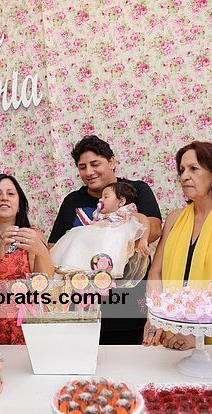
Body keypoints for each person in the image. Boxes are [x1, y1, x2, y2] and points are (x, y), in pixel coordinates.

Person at [49, 135, 162, 345]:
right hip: (83, 307)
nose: (89, 172)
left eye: (95, 164)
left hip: (129, 304)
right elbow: (55, 247)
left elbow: (154, 229)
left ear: (111, 162)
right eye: (82, 167)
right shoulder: (72, 201)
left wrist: (119, 233)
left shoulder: (135, 190)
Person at [144, 141, 212, 350]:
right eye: (182, 170)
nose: (184, 176)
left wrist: (196, 332)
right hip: (168, 332)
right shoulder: (175, 218)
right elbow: (156, 273)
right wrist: (156, 317)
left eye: (194, 169)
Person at [0, 174, 54, 344]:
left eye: (10, 194)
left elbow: (44, 284)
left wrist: (41, 252)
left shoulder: (32, 235)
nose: (4, 198)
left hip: (27, 321)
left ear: (20, 204)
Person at [50, 182, 151, 275]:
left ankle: (107, 269)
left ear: (121, 201)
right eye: (101, 197)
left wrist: (144, 240)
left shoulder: (125, 211)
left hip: (115, 238)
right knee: (78, 235)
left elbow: (144, 220)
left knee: (109, 242)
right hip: (98, 240)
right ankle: (74, 265)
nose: (100, 200)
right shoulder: (100, 216)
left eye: (105, 197)